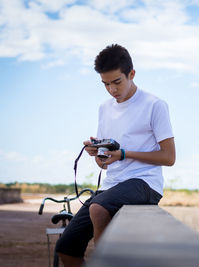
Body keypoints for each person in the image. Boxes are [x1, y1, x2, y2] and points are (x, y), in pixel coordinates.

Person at [55, 44, 176, 267]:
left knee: (99, 209)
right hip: (111, 186)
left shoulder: (155, 105)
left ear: (132, 74)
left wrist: (123, 154)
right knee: (66, 247)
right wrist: (98, 155)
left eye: (117, 82)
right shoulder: (104, 108)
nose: (112, 89)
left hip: (145, 183)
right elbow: (106, 164)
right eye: (105, 84)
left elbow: (169, 157)